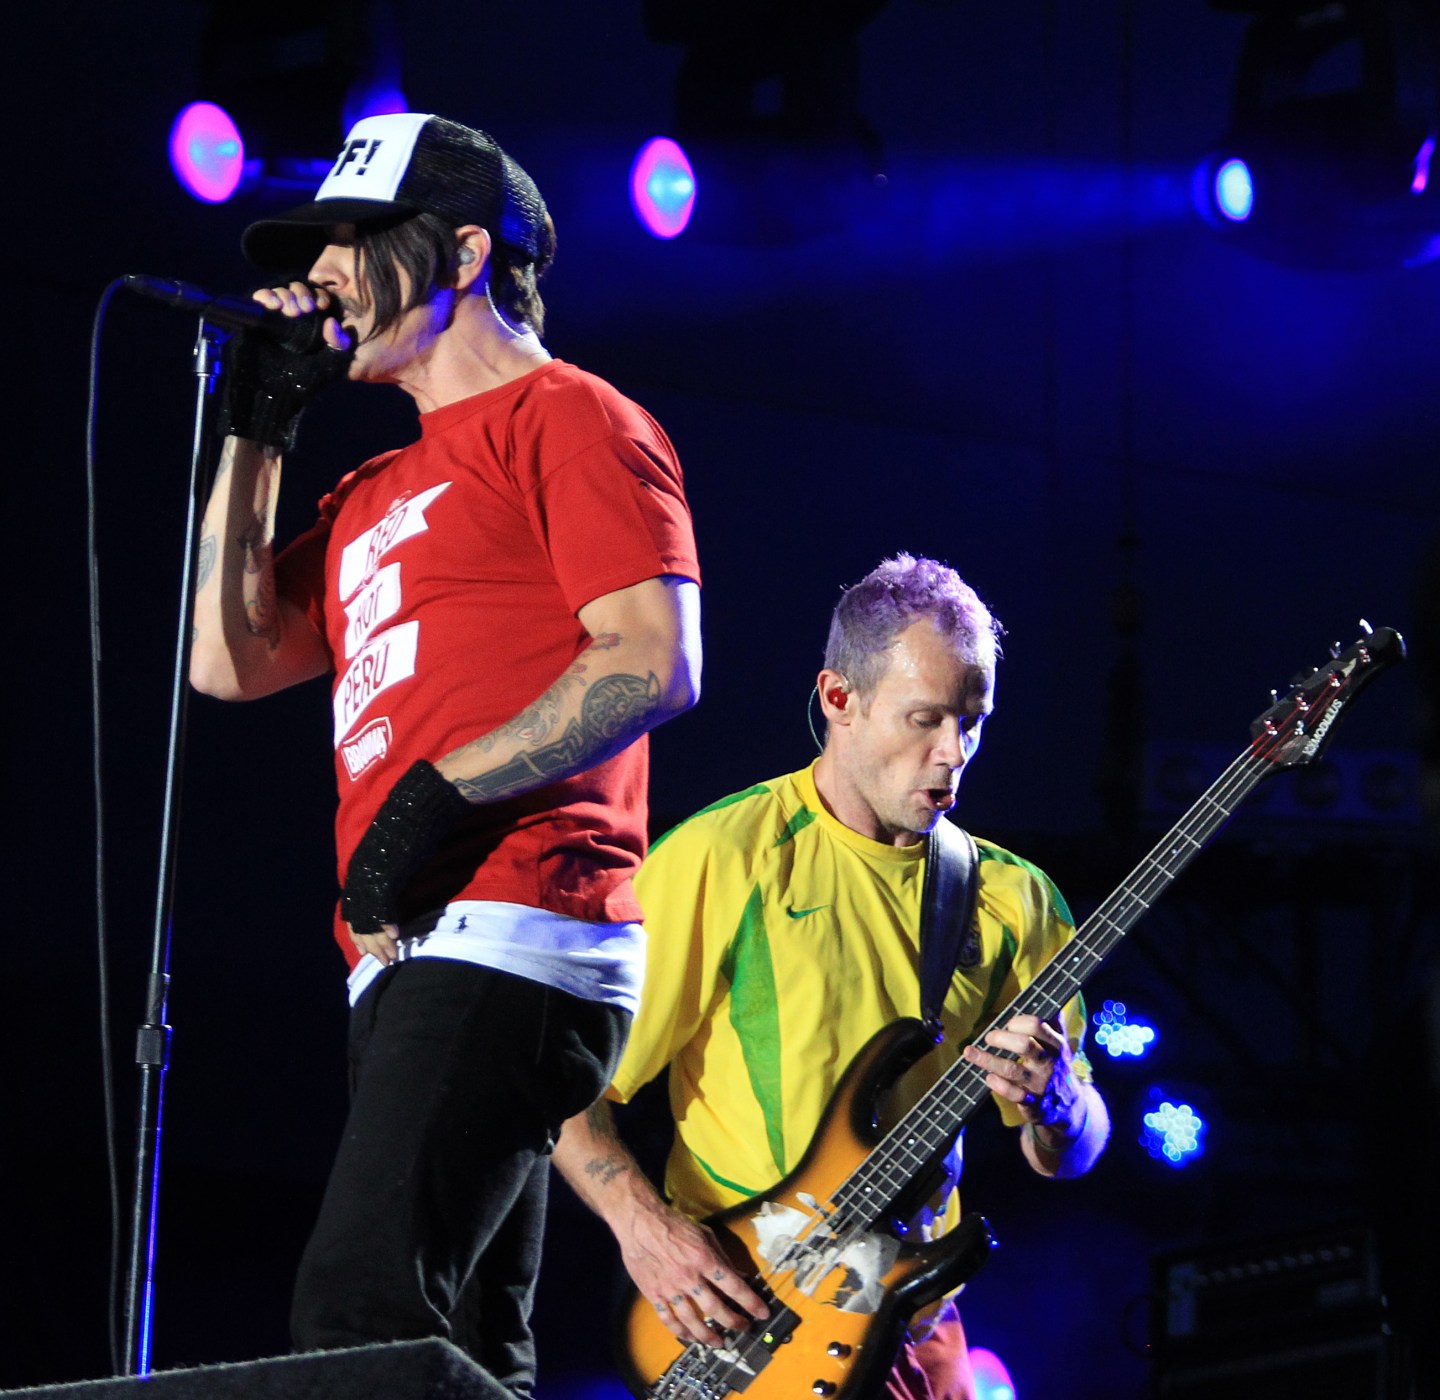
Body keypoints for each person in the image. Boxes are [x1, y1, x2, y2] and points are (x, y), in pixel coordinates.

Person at [188, 112, 702, 1396]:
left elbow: (652, 659)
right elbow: (226, 660)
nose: (325, 273)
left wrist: (438, 792)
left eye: (356, 239)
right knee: (462, 1352)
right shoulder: (369, 490)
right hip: (407, 946)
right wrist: (256, 426)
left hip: (515, 919)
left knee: (359, 1305)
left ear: (466, 254)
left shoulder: (570, 416)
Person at [552, 554, 1107, 1400]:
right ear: (839, 698)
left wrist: (1060, 1106)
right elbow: (566, 1092)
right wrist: (645, 1230)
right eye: (925, 718)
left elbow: (1070, 1153)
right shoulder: (723, 858)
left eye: (973, 721)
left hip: (916, 1322)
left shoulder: (1013, 897)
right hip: (750, 1323)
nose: (953, 753)